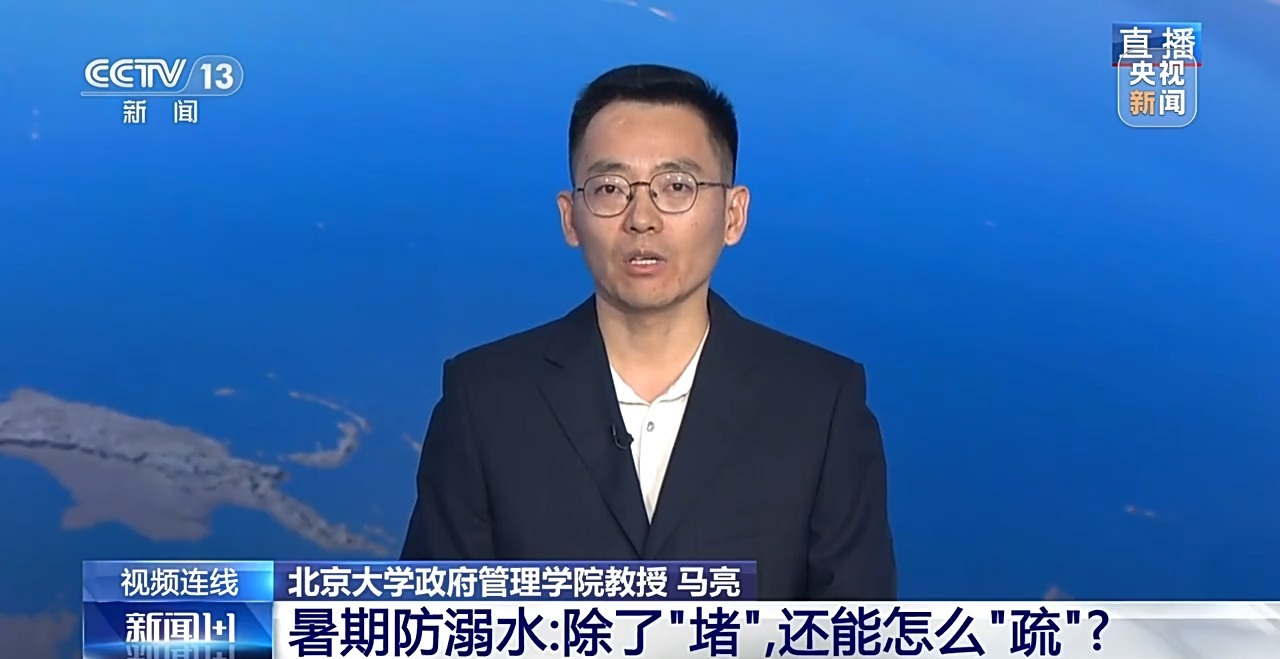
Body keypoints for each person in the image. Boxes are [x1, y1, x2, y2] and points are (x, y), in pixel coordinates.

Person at [402, 63, 896, 600]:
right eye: (610, 188)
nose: (642, 218)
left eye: (676, 186)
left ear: (733, 214)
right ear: (570, 218)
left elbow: (856, 630)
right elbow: (433, 625)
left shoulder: (820, 405)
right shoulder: (484, 400)